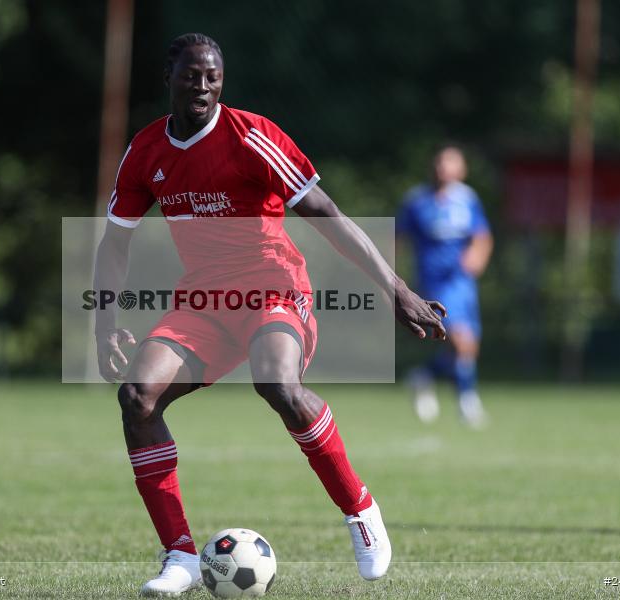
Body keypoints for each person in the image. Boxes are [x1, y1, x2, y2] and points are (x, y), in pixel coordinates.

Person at [94, 33, 447, 596]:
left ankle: (360, 510)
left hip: (273, 287)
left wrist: (397, 289)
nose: (204, 86)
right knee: (138, 397)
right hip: (205, 301)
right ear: (170, 77)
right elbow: (115, 243)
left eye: (213, 76)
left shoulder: (252, 136)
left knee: (277, 383)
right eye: (192, 75)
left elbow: (327, 215)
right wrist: (105, 322)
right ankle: (180, 556)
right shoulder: (145, 152)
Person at [397, 145, 494, 428]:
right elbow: (398, 238)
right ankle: (468, 402)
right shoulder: (416, 201)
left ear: (461, 170)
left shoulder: (467, 199)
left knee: (468, 346)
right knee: (461, 340)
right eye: (440, 163)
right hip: (433, 282)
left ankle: (424, 375)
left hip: (462, 282)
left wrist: (477, 256)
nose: (444, 169)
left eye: (451, 163)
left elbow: (482, 236)